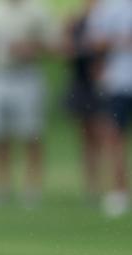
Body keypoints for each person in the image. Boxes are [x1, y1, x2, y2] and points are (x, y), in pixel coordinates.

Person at [0, 0, 57, 206]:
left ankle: (32, 188)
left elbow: (54, 44)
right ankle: (0, 187)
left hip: (26, 75)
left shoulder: (37, 10)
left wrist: (32, 47)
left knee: (31, 134)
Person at [86, 0, 132, 217]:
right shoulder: (106, 8)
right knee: (114, 135)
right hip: (118, 81)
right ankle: (119, 190)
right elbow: (95, 42)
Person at [63, 0, 106, 205]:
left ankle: (110, 184)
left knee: (106, 135)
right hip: (82, 83)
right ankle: (92, 185)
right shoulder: (78, 22)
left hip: (103, 83)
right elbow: (68, 50)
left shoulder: (107, 20)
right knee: (87, 138)